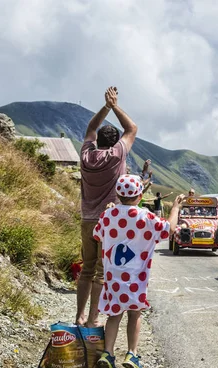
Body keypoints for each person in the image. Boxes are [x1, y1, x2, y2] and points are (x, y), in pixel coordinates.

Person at [93, 174, 184, 368]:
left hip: (113, 276)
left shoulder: (108, 215)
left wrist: (110, 213)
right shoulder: (145, 216)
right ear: (140, 195)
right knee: (135, 314)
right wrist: (175, 208)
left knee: (114, 314)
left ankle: (107, 353)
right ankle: (132, 354)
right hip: (136, 277)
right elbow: (168, 229)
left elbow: (97, 234)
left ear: (117, 194)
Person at [77, 86, 138, 328]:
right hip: (108, 221)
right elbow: (131, 129)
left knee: (86, 270)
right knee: (102, 274)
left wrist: (104, 107)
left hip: (87, 219)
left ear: (97, 141)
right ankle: (93, 319)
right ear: (114, 143)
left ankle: (79, 316)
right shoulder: (116, 155)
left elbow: (91, 129)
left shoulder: (85, 155)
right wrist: (114, 106)